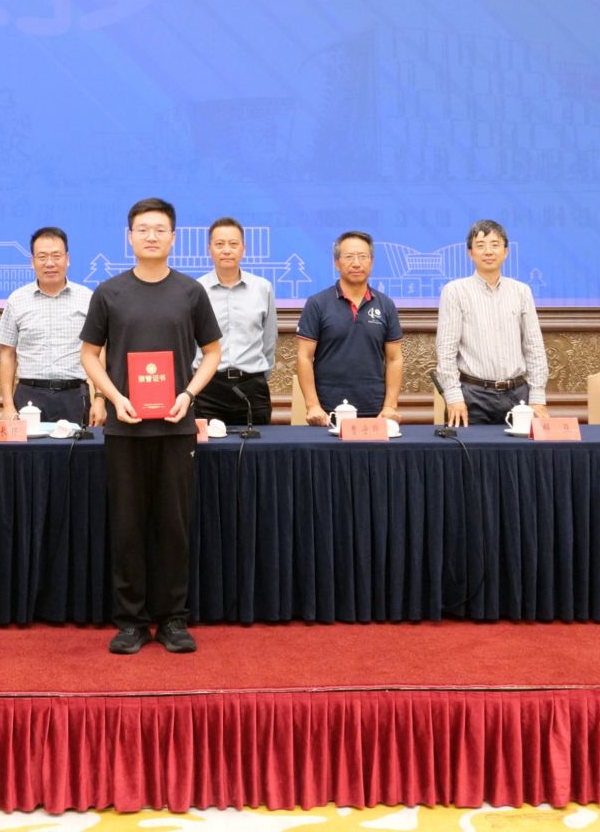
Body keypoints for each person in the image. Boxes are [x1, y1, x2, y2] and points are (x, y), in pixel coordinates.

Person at [80, 197, 222, 655]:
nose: (151, 236)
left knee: (174, 526)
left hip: (176, 428)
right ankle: (131, 621)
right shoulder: (109, 292)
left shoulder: (190, 292)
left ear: (173, 237)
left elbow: (213, 352)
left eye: (160, 229)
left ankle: (174, 618)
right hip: (125, 428)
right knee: (127, 526)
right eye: (143, 229)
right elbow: (89, 355)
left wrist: (188, 394)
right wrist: (114, 397)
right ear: (130, 237)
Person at [433, 219, 549, 427]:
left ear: (506, 252)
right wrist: (453, 397)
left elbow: (534, 347)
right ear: (470, 253)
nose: (488, 251)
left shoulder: (522, 292)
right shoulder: (454, 291)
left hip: (518, 395)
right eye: (480, 245)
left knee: (520, 449)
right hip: (472, 396)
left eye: (495, 245)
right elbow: (446, 349)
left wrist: (538, 397)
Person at [295, 230, 403, 422]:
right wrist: (313, 406)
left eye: (363, 256)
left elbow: (394, 359)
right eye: (349, 257)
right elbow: (304, 356)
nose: (356, 263)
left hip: (375, 411)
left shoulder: (386, 305)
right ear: (337, 263)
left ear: (371, 262)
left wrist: (389, 406)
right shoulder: (317, 303)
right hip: (328, 412)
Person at [0, 226, 99, 427]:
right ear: (32, 261)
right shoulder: (17, 300)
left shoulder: (87, 298)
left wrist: (99, 399)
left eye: (56, 256)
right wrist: (7, 405)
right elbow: (7, 354)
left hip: (74, 396)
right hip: (29, 395)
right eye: (42, 257)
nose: (49, 263)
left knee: (75, 448)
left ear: (67, 259)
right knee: (30, 449)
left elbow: (98, 352)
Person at [193, 217, 276, 428]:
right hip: (207, 388)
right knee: (207, 448)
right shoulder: (195, 290)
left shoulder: (262, 288)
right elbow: (189, 342)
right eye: (219, 244)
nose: (227, 250)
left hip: (252, 388)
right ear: (209, 249)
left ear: (243, 249)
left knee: (258, 447)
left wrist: (258, 375)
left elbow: (269, 340)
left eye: (233, 244)